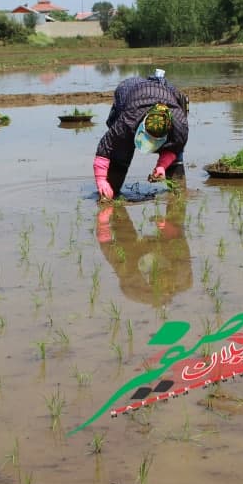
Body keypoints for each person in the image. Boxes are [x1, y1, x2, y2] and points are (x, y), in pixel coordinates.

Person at [93, 69, 189, 201]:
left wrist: (162, 166)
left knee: (176, 158)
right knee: (121, 149)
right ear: (142, 125)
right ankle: (109, 192)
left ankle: (178, 195)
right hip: (129, 91)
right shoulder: (128, 120)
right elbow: (105, 148)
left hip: (166, 91)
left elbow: (176, 147)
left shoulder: (180, 125)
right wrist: (101, 180)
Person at [95, 193, 192, 307]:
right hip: (139, 262)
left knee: (125, 238)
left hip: (148, 258)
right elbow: (109, 249)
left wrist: (165, 226)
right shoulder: (130, 276)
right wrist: (103, 224)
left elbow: (178, 240)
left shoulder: (180, 272)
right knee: (124, 236)